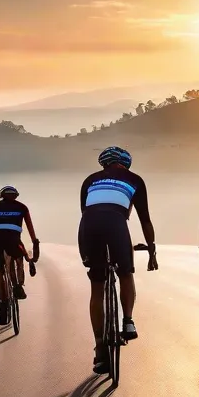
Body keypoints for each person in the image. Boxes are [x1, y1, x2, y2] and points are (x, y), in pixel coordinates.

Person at [78, 145, 157, 374]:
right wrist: (151, 250)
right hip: (116, 223)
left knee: (97, 287)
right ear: (127, 163)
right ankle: (128, 321)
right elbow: (145, 220)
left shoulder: (89, 180)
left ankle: (101, 351)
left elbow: (86, 211)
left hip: (89, 226)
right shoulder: (135, 179)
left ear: (103, 163)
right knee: (125, 273)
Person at [0, 185, 40, 326]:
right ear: (16, 196)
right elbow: (29, 227)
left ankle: (2, 303)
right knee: (18, 256)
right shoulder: (22, 207)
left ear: (1, 195)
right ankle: (18, 285)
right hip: (12, 238)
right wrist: (35, 243)